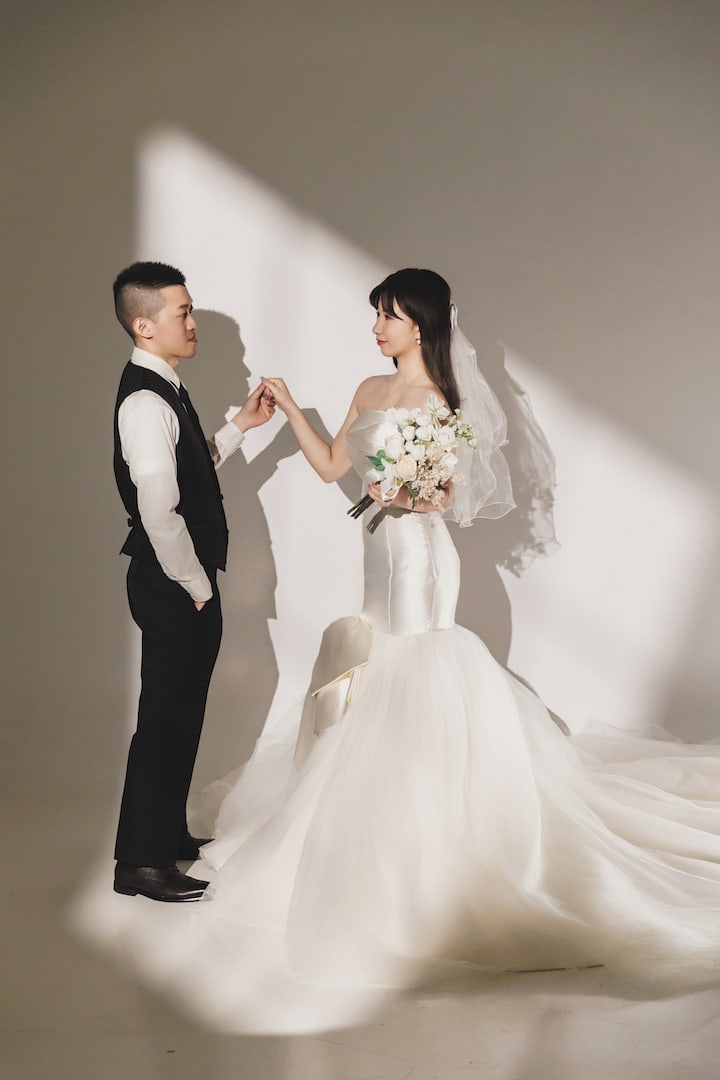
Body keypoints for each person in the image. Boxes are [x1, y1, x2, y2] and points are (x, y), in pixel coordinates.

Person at [188, 268, 720, 993]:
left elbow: (445, 494)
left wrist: (403, 490)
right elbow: (332, 466)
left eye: (388, 316)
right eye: (376, 314)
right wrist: (288, 412)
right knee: (373, 665)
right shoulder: (369, 388)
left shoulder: (442, 398)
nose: (377, 327)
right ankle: (375, 830)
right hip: (377, 553)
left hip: (418, 558)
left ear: (421, 324)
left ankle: (430, 842)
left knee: (409, 669)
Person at [111, 261, 274, 902]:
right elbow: (159, 511)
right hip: (173, 582)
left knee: (181, 715)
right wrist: (196, 585)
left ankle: (165, 836)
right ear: (144, 325)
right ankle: (141, 864)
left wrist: (241, 428)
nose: (192, 322)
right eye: (182, 312)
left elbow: (189, 470)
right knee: (165, 720)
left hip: (178, 580)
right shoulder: (146, 402)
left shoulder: (165, 390)